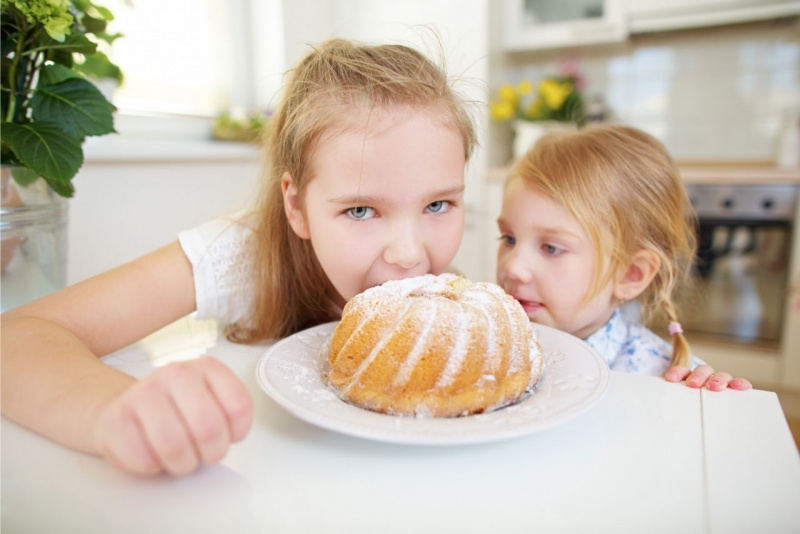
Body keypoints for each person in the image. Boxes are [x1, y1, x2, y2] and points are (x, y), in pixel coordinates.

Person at [0, 39, 477, 476]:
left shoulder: (448, 293)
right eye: (360, 210)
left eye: (438, 205)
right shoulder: (240, 256)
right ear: (296, 206)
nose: (410, 253)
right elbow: (18, 337)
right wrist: (114, 411)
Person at [495, 124, 752, 391]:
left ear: (631, 274)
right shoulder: (490, 344)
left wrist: (711, 403)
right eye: (509, 238)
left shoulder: (660, 380)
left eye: (551, 248)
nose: (513, 267)